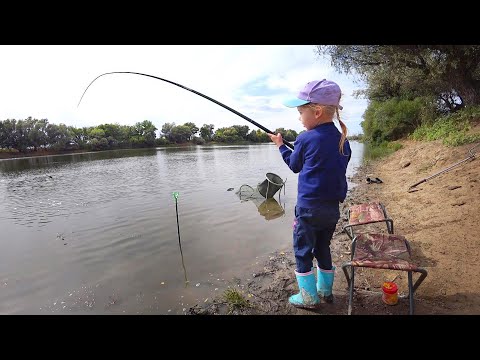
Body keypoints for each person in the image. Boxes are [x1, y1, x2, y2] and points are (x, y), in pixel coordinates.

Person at [268, 79, 351, 309]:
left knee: (303, 251)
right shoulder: (343, 141)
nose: (298, 117)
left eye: (300, 112)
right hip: (331, 209)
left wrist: (281, 145)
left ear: (316, 111)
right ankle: (325, 291)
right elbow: (327, 164)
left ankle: (308, 297)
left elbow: (294, 165)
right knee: (323, 247)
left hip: (308, 209)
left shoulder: (304, 138)